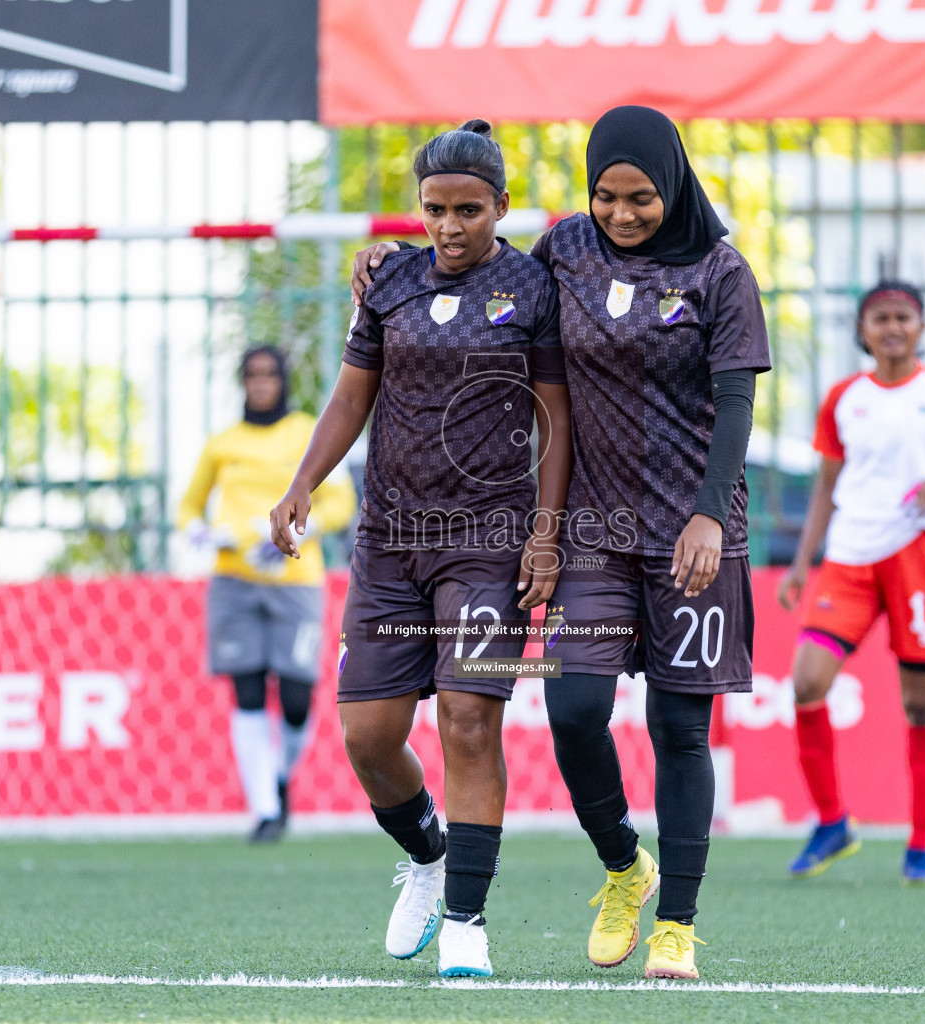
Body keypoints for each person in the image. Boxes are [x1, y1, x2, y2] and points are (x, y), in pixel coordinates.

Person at [352, 105, 770, 981]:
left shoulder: (721, 272)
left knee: (679, 728)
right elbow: (474, 278)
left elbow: (735, 405)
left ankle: (677, 929)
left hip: (695, 534)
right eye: (607, 196)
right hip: (593, 532)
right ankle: (625, 866)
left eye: (641, 198)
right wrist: (390, 266)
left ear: (675, 185)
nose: (622, 214)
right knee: (575, 711)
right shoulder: (566, 251)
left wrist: (706, 513)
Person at [271, 120, 570, 979]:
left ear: (501, 207)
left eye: (469, 210)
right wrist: (303, 483)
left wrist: (546, 533)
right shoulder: (392, 280)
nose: (450, 226)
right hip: (389, 541)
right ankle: (430, 857)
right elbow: (351, 393)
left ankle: (469, 920)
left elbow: (558, 415)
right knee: (368, 735)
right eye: (435, 209)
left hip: (488, 542)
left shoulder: (532, 286)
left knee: (468, 721)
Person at [777, 281, 925, 888]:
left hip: (920, 556)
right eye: (880, 318)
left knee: (921, 705)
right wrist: (802, 565)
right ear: (864, 329)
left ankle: (921, 845)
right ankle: (832, 823)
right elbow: (826, 484)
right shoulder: (844, 398)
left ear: (921, 327)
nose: (892, 327)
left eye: (903, 317)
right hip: (850, 558)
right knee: (805, 682)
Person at [179, 345, 355, 843]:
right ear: (242, 382)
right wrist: (203, 533)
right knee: (248, 690)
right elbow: (189, 507)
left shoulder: (306, 432)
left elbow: (341, 502)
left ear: (282, 381)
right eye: (251, 375)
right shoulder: (222, 443)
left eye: (269, 375)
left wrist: (300, 532)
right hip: (234, 578)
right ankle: (263, 808)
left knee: (297, 695)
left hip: (295, 580)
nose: (260, 384)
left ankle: (279, 778)